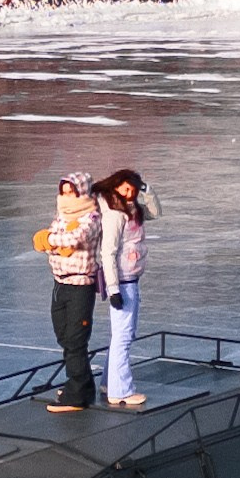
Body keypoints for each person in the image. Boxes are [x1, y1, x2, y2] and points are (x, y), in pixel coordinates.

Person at [36, 170, 101, 411]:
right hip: (60, 284)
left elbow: (75, 238)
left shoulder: (92, 218)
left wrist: (51, 239)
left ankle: (78, 393)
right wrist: (51, 242)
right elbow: (49, 243)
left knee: (75, 340)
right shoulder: (62, 216)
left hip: (79, 286)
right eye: (63, 193)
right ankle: (82, 384)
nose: (66, 198)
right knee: (63, 336)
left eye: (71, 193)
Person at [93, 168, 148, 407]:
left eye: (135, 190)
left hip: (130, 278)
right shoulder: (115, 214)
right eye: (127, 188)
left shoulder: (132, 209)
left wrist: (148, 190)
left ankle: (109, 384)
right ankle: (121, 391)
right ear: (116, 186)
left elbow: (156, 211)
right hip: (123, 282)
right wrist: (113, 288)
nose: (131, 193)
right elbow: (108, 252)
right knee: (123, 338)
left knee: (121, 336)